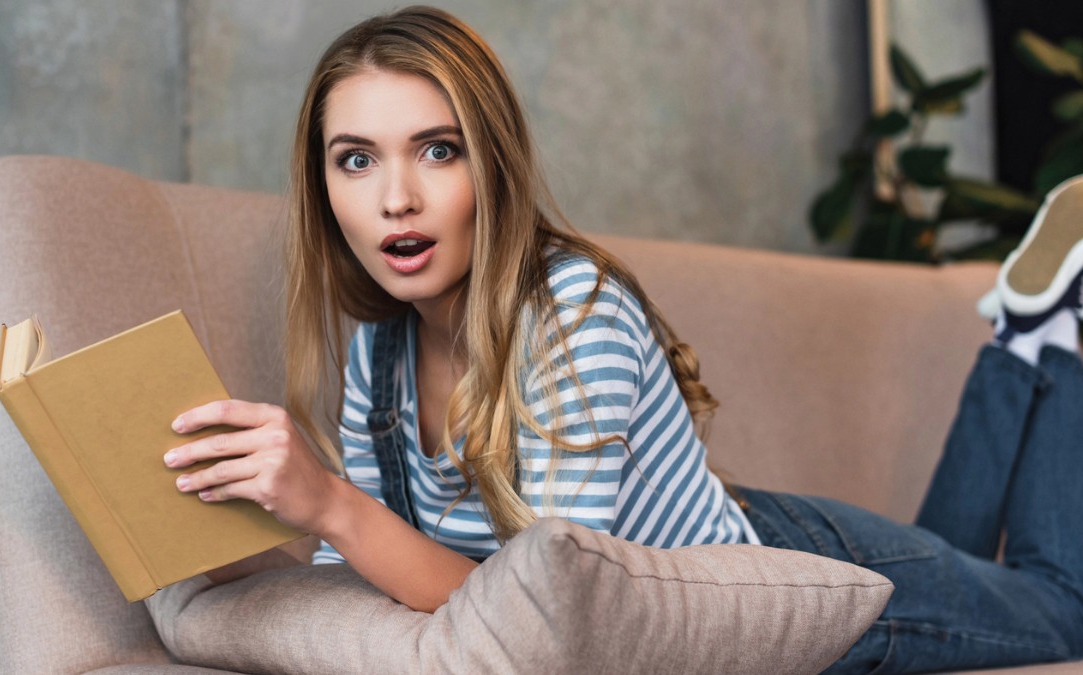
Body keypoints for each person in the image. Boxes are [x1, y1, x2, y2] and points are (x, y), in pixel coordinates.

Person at [162, 6, 1083, 673]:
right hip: (724, 549)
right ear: (323, 185)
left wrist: (329, 505)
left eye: (437, 150)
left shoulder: (570, 310)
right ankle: (1017, 341)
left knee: (1061, 608)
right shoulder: (381, 352)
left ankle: (1056, 336)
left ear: (494, 163)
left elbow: (562, 612)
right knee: (959, 560)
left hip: (780, 594)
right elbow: (363, 590)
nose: (394, 197)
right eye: (356, 159)